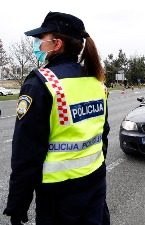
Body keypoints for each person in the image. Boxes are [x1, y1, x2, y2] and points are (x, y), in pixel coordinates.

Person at [3, 11, 110, 225]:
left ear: (56, 44)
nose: (37, 44)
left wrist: (18, 204)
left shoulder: (42, 84)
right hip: (95, 183)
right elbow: (102, 136)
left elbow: (26, 155)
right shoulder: (96, 83)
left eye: (41, 39)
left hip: (59, 195)